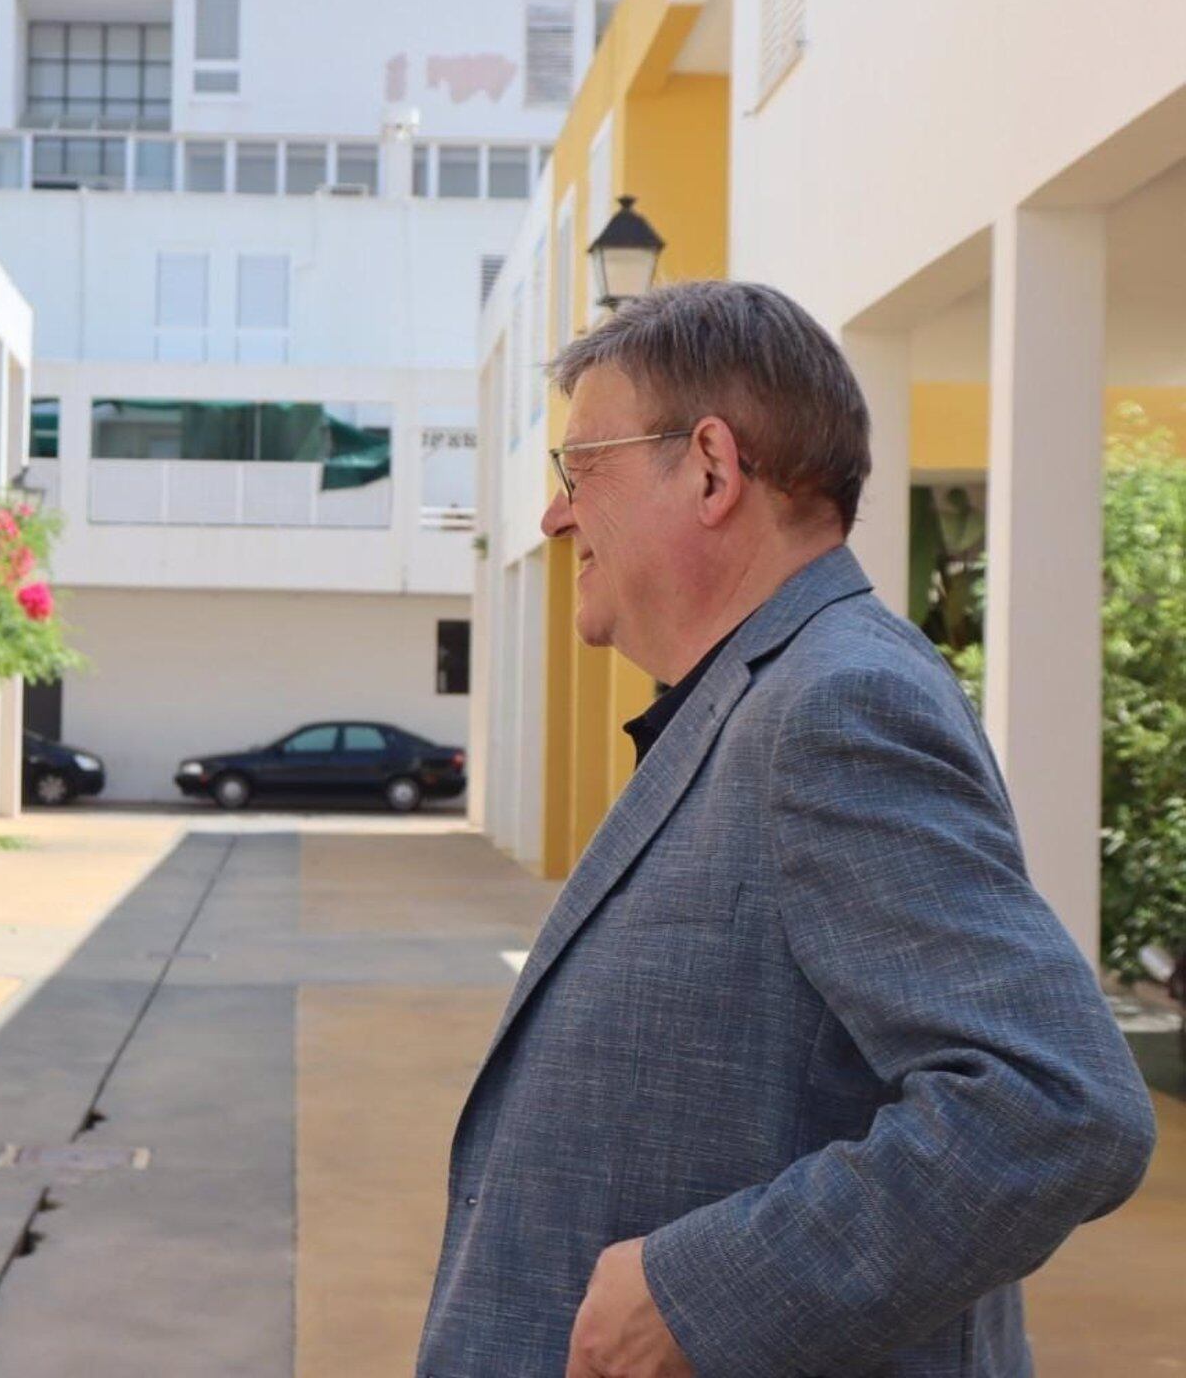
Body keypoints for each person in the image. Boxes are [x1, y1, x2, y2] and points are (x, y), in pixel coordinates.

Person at [417, 282, 1157, 1377]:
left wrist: (693, 1295)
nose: (555, 514)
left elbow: (1052, 1106)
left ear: (711, 467)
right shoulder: (766, 695)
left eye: (582, 468)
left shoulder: (836, 703)